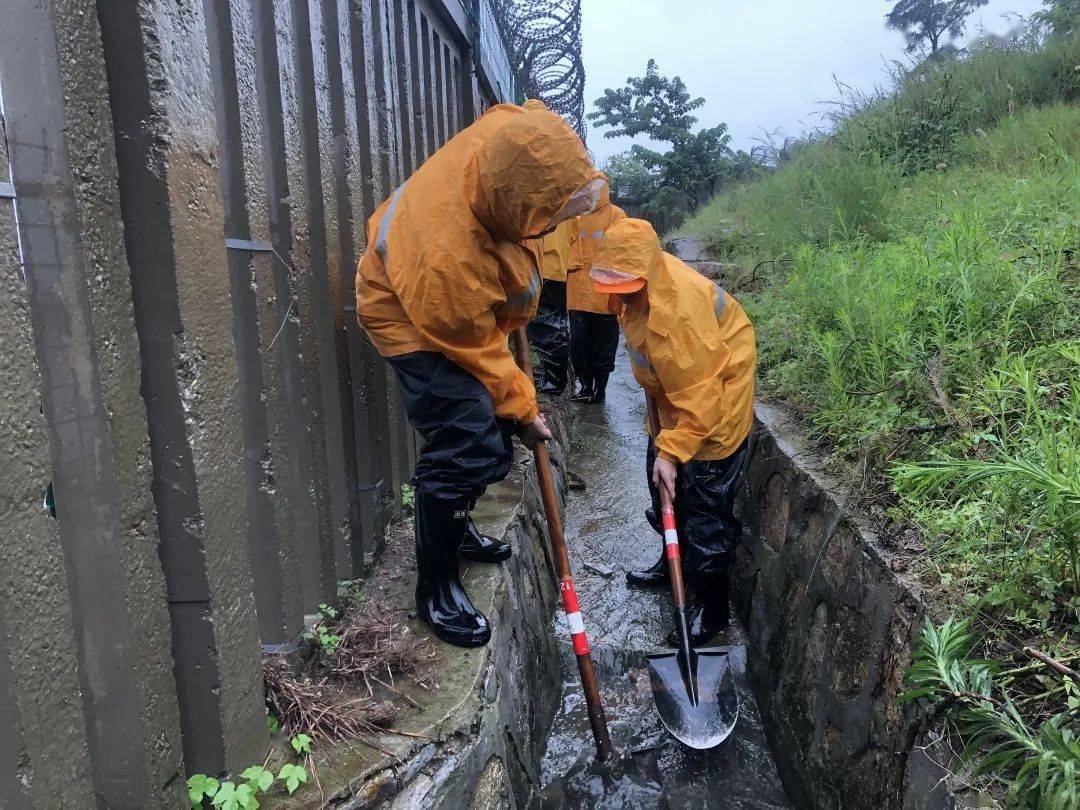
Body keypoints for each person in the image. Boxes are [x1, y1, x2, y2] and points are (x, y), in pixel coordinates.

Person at [356, 102, 604, 647]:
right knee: (470, 441)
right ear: (515, 204)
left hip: (448, 303)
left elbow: (519, 114)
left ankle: (458, 527)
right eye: (548, 217)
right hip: (407, 312)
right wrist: (524, 411)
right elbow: (478, 350)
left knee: (475, 438)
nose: (555, 225)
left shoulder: (511, 139)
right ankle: (435, 588)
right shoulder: (449, 259)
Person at [589, 218, 756, 647]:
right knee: (662, 488)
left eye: (625, 283)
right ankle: (671, 561)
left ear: (646, 271)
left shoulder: (680, 313)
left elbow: (703, 400)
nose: (616, 291)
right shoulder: (637, 288)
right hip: (671, 403)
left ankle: (711, 608)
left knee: (705, 511)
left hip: (712, 412)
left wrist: (673, 450)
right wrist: (663, 448)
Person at [567, 180, 626, 403]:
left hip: (607, 297)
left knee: (604, 348)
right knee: (580, 346)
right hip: (579, 295)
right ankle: (585, 388)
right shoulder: (574, 216)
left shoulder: (617, 215)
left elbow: (625, 248)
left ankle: (599, 391)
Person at [526, 219, 575, 394]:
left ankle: (553, 382)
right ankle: (554, 379)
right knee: (554, 323)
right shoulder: (569, 197)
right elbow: (574, 233)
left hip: (542, 262)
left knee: (547, 325)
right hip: (555, 264)